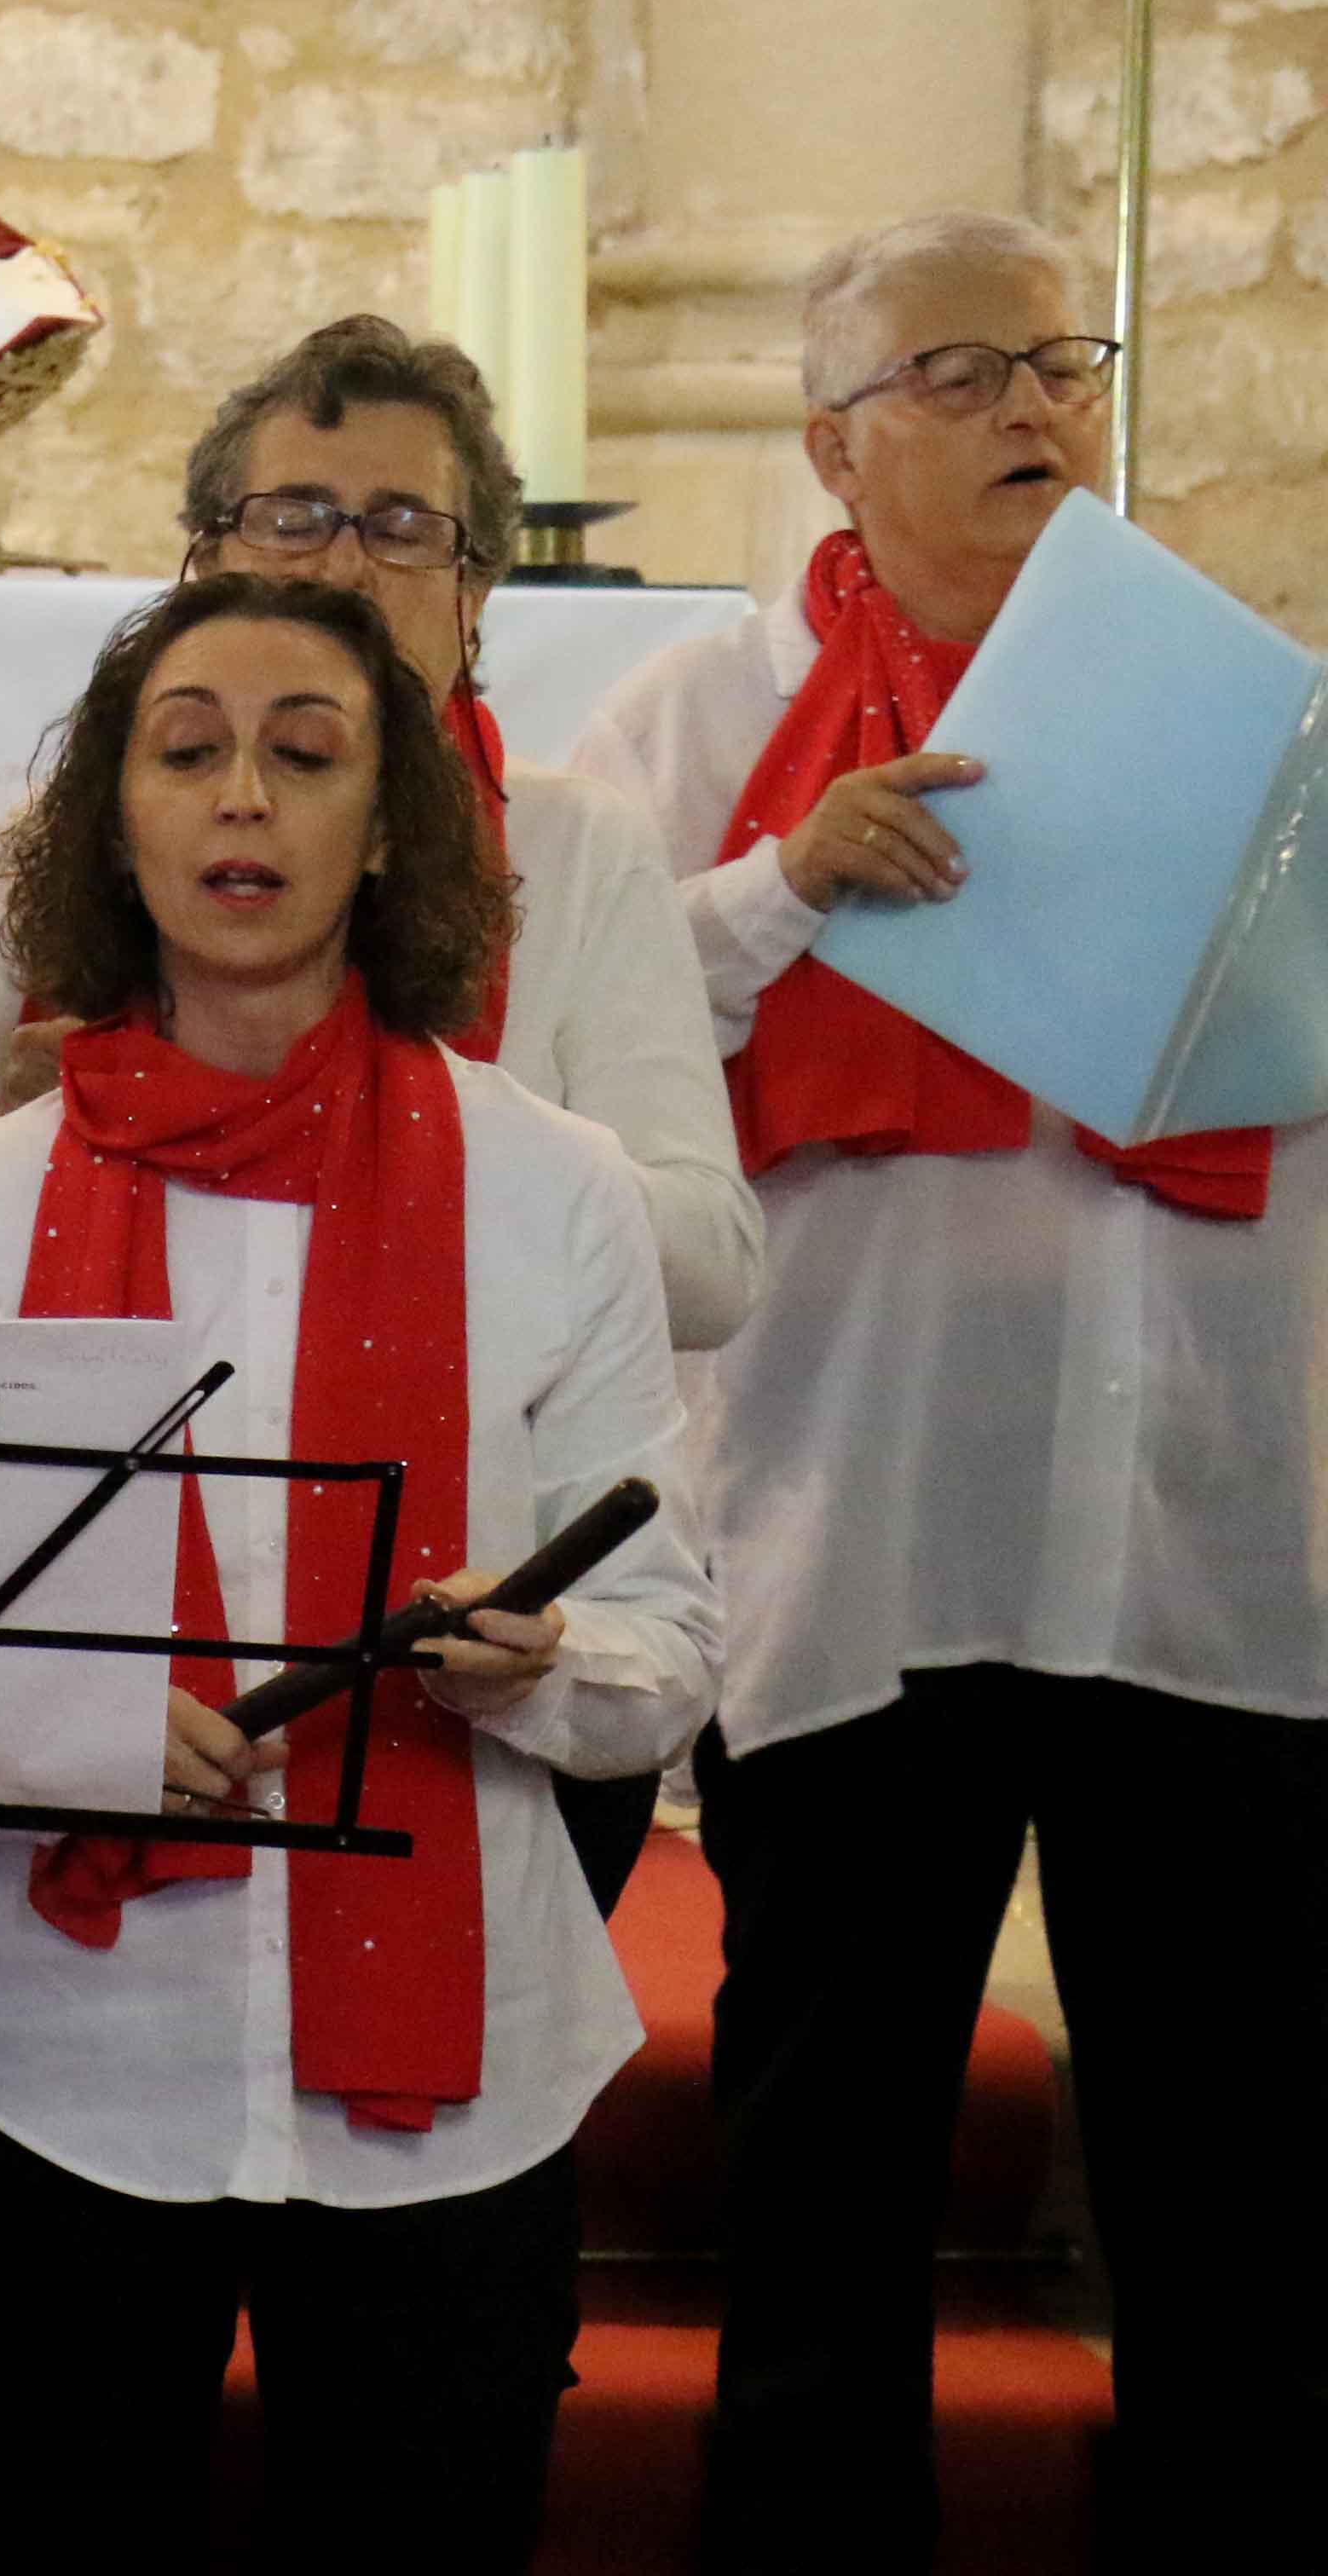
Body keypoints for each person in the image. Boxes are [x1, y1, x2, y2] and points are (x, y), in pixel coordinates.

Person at [563, 210, 1328, 2567]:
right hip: (861, 1534)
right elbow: (563, 1062)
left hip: (1198, 1540)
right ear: (830, 444)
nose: (1031, 410)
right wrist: (782, 882)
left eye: (1060, 367)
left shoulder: (1254, 708)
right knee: (831, 2170)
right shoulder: (701, 719)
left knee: (1233, 2191)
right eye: (963, 372)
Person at [0, 572, 717, 2567]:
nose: (237, 796)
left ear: (386, 825)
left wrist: (530, 1664)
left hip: (457, 2077)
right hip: (64, 2059)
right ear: (112, 821)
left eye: (302, 753)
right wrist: (63, 1723)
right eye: (183, 751)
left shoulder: (550, 1184)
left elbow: (667, 1644)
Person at [0, 318, 754, 1914]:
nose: (341, 563)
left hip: (464, 1680)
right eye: (293, 515)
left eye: (400, 527)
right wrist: (78, 1150)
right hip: (92, 1687)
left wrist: (430, 1160)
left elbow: (713, 1264)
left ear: (473, 594)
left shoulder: (578, 858)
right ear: (202, 564)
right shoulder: (86, 849)